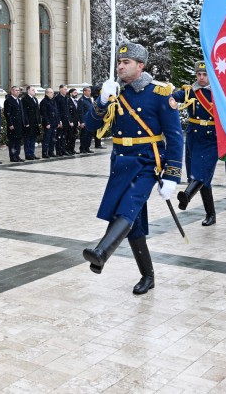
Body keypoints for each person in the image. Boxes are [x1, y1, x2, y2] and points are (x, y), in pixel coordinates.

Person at [81, 41, 182, 295]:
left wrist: (172, 175)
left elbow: (175, 136)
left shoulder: (159, 92)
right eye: (119, 62)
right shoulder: (116, 92)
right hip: (121, 161)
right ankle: (148, 275)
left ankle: (102, 252)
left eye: (126, 62)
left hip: (147, 162)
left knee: (128, 206)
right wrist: (102, 100)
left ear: (140, 66)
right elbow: (90, 126)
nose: (120, 66)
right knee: (133, 222)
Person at [172, 61, 220, 226]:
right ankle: (211, 214)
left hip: (211, 138)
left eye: (205, 74)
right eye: (198, 74)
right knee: (200, 176)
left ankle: (187, 195)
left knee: (201, 173)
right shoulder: (190, 91)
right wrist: (168, 97)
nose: (201, 77)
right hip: (194, 137)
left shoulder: (219, 93)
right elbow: (172, 97)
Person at [3, 85, 26, 162]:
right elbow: (7, 114)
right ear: (12, 91)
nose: (18, 92)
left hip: (20, 124)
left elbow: (22, 113)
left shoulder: (19, 100)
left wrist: (23, 122)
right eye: (16, 90)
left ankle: (17, 155)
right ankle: (12, 157)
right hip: (13, 124)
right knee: (13, 141)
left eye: (18, 90)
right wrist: (10, 124)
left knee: (18, 141)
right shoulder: (8, 101)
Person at [20, 85, 41, 160]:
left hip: (34, 122)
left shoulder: (35, 99)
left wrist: (39, 121)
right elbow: (24, 112)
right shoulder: (25, 99)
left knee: (33, 138)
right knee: (28, 139)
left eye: (34, 90)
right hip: (29, 122)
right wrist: (26, 122)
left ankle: (32, 153)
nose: (34, 91)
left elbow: (37, 111)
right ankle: (28, 154)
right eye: (32, 90)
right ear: (28, 91)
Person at [39, 88, 59, 158]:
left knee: (53, 139)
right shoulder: (44, 101)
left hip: (54, 123)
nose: (53, 94)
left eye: (53, 92)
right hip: (48, 124)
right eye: (51, 92)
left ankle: (51, 152)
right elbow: (44, 114)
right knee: (47, 139)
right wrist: (47, 123)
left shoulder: (53, 101)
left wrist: (58, 121)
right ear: (47, 93)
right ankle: (44, 153)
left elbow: (56, 112)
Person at [77, 86, 94, 154]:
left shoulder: (89, 99)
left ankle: (87, 147)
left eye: (90, 91)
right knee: (84, 135)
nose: (90, 92)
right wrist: (82, 121)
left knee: (89, 135)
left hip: (90, 120)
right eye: (88, 91)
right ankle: (82, 148)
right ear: (84, 92)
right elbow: (80, 112)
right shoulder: (81, 100)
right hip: (85, 120)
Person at [55, 85, 71, 156]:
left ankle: (63, 149)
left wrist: (69, 120)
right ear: (60, 89)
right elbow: (57, 110)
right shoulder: (57, 98)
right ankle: (59, 151)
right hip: (61, 119)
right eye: (65, 89)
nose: (66, 91)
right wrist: (59, 120)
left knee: (64, 136)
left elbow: (67, 110)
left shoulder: (66, 98)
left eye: (66, 89)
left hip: (66, 119)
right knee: (59, 136)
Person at [66, 88, 80, 155]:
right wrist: (70, 120)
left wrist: (78, 120)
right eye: (74, 92)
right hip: (71, 121)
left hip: (75, 121)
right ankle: (68, 149)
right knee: (70, 136)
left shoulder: (76, 101)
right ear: (71, 93)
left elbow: (77, 112)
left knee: (74, 136)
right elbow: (68, 112)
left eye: (76, 92)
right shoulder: (68, 101)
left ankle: (72, 149)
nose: (76, 94)